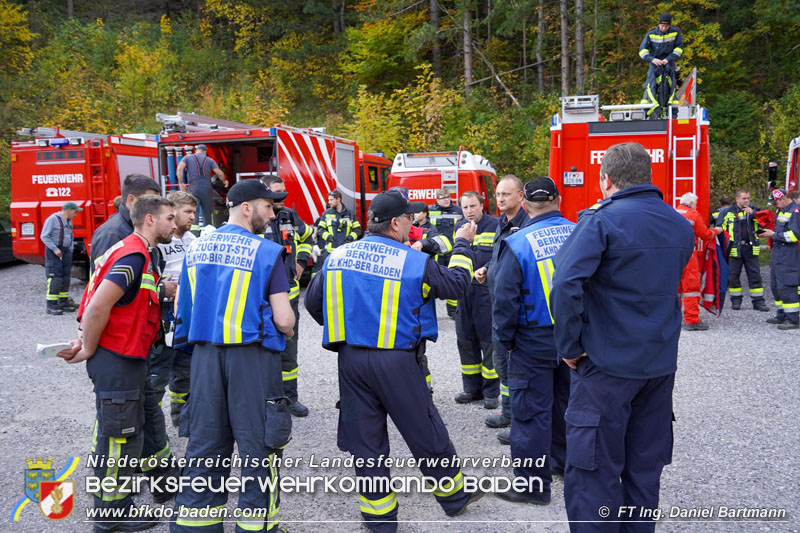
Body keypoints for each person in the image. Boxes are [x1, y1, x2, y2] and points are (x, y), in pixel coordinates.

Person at [304, 190, 484, 532]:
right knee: (424, 428)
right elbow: (458, 285)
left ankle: (379, 520)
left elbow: (314, 304)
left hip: (352, 362)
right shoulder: (412, 260)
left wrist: (348, 325)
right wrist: (461, 245)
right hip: (398, 362)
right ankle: (455, 498)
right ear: (397, 222)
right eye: (407, 221)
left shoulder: (338, 255)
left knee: (365, 442)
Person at [551, 142, 694, 532]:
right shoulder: (679, 223)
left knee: (593, 470)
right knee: (643, 472)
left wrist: (569, 347)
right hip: (658, 366)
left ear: (606, 180)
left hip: (606, 367)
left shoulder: (600, 221)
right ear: (648, 177)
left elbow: (564, 283)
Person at [171, 179, 295, 533]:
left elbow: (182, 307)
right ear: (247, 207)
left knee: (206, 446)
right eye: (268, 207)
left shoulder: (195, 249)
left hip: (206, 358)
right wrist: (287, 327)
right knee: (260, 451)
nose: (272, 215)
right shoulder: (266, 252)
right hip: (252, 362)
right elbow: (284, 319)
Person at [58, 195, 177, 532]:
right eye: (169, 218)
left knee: (146, 421)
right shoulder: (133, 254)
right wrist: (87, 347)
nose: (173, 224)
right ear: (150, 219)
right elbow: (97, 307)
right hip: (117, 359)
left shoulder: (138, 250)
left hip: (130, 357)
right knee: (118, 440)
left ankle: (163, 481)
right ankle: (111, 516)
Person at [492, 178, 574, 505]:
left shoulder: (517, 242)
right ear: (558, 199)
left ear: (524, 203)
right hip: (574, 340)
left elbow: (504, 301)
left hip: (531, 340)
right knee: (566, 406)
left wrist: (506, 342)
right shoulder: (581, 233)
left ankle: (532, 486)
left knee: (529, 415)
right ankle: (565, 464)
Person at [475, 175, 530, 440]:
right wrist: (488, 269)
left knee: (514, 368)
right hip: (498, 305)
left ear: (521, 196)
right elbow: (502, 260)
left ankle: (519, 422)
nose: (500, 199)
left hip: (515, 311)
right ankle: (509, 413)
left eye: (506, 194)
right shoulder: (502, 223)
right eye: (497, 194)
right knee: (501, 365)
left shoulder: (526, 226)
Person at [262, 175, 315, 417]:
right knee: (263, 351)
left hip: (290, 297)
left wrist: (302, 261)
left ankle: (289, 398)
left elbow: (306, 239)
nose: (282, 197)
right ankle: (266, 400)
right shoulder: (257, 220)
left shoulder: (289, 216)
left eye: (284, 192)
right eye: (277, 193)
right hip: (262, 301)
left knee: (288, 351)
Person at [152, 191, 197, 428]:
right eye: (187, 212)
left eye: (194, 212)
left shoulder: (194, 240)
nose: (192, 217)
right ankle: (153, 426)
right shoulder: (160, 242)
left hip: (186, 315)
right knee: (158, 376)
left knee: (185, 372)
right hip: (163, 315)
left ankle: (181, 419)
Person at [452, 191, 500, 409]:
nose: (469, 211)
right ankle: (472, 389)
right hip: (464, 293)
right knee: (465, 340)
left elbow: (501, 258)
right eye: (465, 207)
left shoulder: (496, 226)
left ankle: (491, 391)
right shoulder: (458, 228)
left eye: (473, 206)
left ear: (482, 205)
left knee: (488, 342)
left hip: (485, 293)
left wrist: (487, 270)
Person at [90, 174, 161, 270]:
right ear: (131, 199)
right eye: (150, 200)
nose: (156, 206)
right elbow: (106, 278)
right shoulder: (111, 234)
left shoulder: (137, 226)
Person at [677, 192, 724, 331]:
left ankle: (673, 317)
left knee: (676, 287)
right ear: (691, 203)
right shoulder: (693, 214)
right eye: (695, 204)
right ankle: (692, 320)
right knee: (691, 287)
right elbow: (705, 234)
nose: (696, 206)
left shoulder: (672, 211)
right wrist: (716, 231)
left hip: (673, 255)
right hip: (687, 254)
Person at [721, 189, 769, 311]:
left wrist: (753, 214)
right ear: (737, 199)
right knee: (733, 276)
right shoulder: (727, 212)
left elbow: (766, 225)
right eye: (744, 198)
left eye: (748, 198)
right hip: (734, 249)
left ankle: (758, 302)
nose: (747, 201)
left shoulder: (755, 211)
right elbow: (720, 229)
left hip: (750, 248)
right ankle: (736, 301)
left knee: (755, 276)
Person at [762, 188, 800, 330]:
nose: (774, 206)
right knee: (776, 285)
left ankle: (793, 319)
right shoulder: (781, 211)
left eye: (775, 203)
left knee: (787, 286)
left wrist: (773, 235)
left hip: (789, 254)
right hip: (778, 252)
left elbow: (795, 235)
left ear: (782, 199)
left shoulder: (795, 212)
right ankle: (781, 315)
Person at [41, 201, 82, 315]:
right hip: (54, 252)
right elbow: (44, 236)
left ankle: (63, 302)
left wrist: (70, 249)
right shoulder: (53, 219)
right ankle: (51, 305)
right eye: (75, 212)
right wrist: (55, 249)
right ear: (68, 210)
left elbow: (71, 236)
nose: (76, 214)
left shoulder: (69, 221)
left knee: (65, 277)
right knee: (56, 277)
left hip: (66, 251)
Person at [639, 13, 683, 117]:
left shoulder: (675, 32)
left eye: (666, 26)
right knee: (649, 84)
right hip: (655, 63)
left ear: (669, 25)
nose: (664, 28)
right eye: (662, 26)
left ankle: (672, 113)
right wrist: (652, 59)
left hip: (669, 63)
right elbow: (642, 50)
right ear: (658, 24)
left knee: (671, 86)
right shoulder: (651, 34)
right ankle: (645, 112)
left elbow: (679, 48)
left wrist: (669, 59)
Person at [428, 188, 464, 318]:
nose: (446, 199)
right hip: (436, 251)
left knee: (453, 279)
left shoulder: (458, 211)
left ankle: (453, 310)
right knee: (432, 280)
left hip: (452, 250)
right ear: (437, 199)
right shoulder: (430, 211)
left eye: (448, 197)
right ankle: (430, 311)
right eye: (443, 197)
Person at [176, 144, 228, 228]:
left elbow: (179, 169)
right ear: (205, 152)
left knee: (193, 211)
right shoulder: (210, 160)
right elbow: (219, 173)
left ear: (197, 150)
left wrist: (181, 183)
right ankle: (207, 231)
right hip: (206, 188)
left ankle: (194, 232)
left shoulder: (187, 158)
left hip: (193, 188)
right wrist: (224, 181)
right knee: (207, 212)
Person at [314, 189, 361, 273]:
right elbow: (320, 230)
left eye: (331, 200)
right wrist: (329, 237)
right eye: (329, 200)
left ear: (338, 199)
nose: (329, 202)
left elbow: (357, 229)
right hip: (330, 252)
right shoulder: (326, 213)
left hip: (347, 252)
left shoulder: (350, 213)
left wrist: (350, 238)